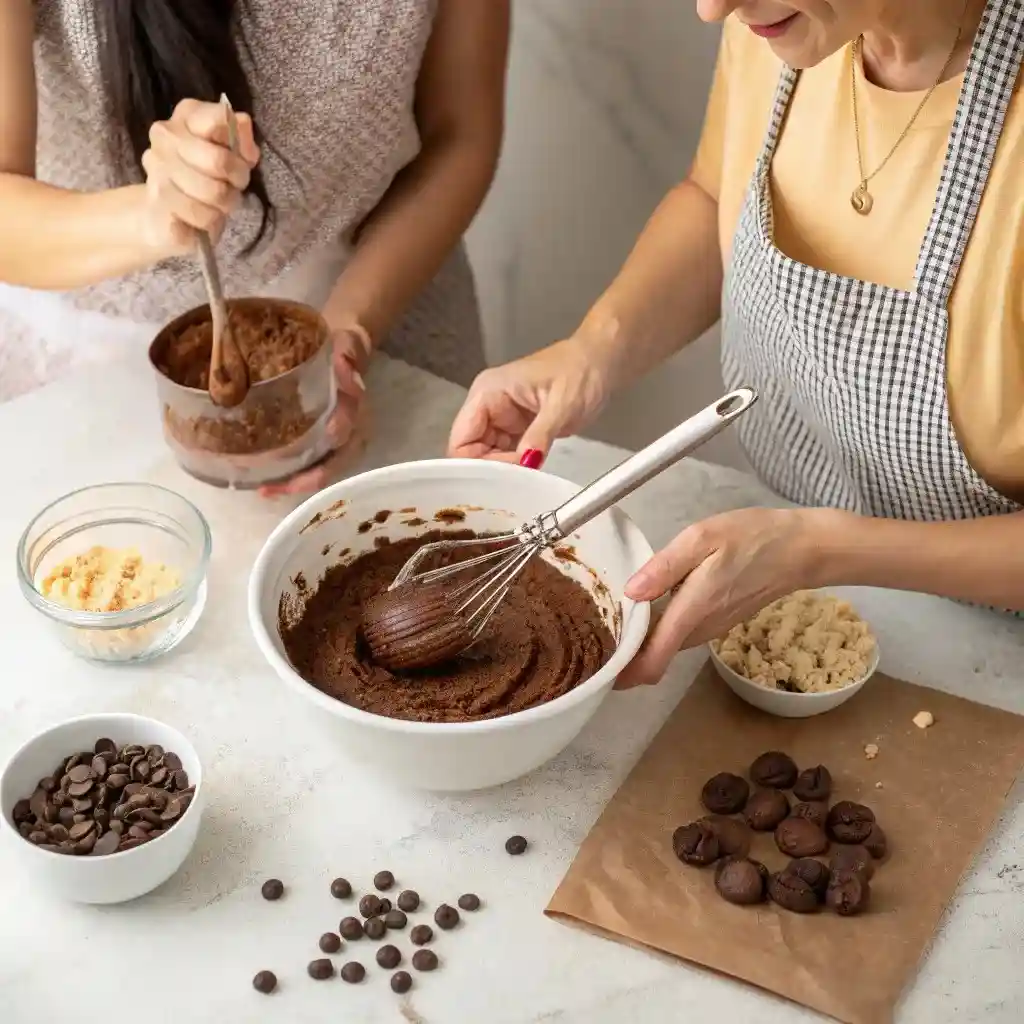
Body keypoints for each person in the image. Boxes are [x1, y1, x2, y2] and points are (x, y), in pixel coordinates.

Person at [448, 0, 1024, 687]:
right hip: (804, 569)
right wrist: (593, 351)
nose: (712, 7)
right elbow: (716, 194)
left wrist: (818, 551)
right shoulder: (783, 27)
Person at [0, 0, 509, 494]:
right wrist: (149, 217)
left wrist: (350, 332)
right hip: (91, 377)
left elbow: (460, 133)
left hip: (385, 297)